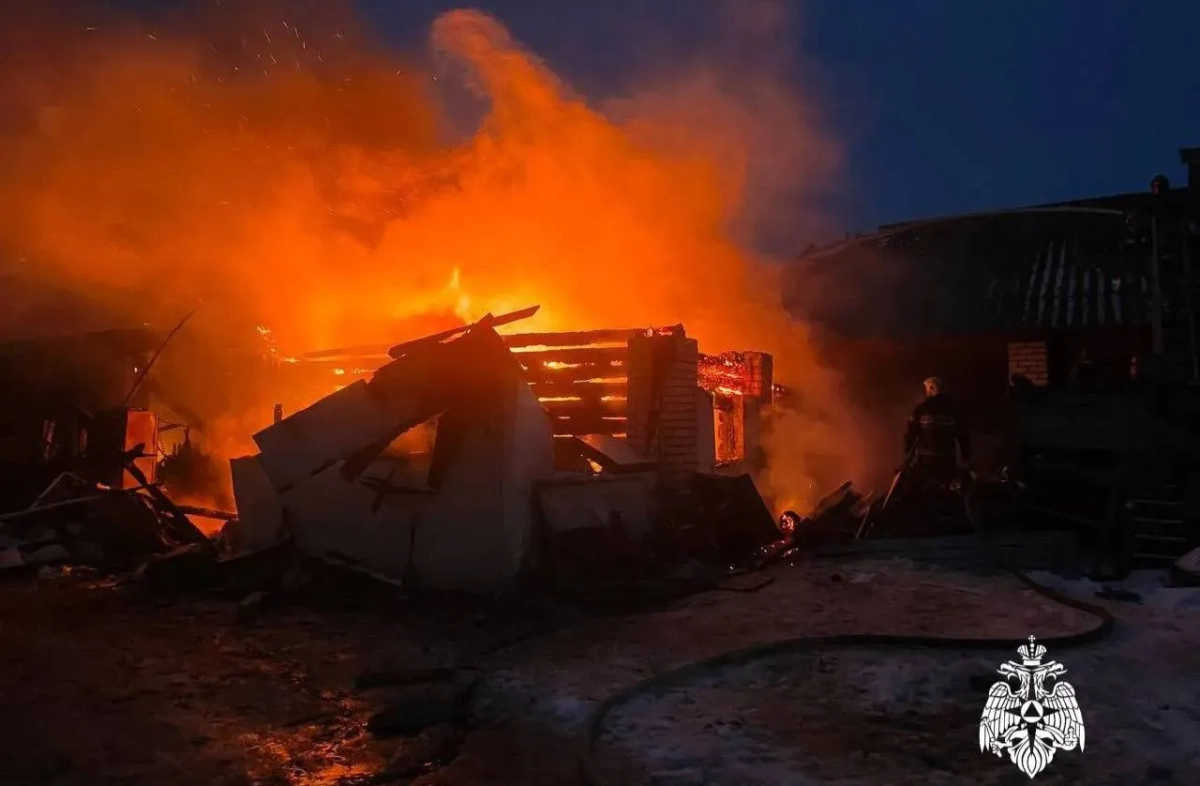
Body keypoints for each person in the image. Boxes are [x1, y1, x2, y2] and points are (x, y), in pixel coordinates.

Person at [903, 376, 971, 484]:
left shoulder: (921, 409)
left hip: (925, 462)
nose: (926, 392)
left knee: (924, 491)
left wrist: (908, 453)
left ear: (931, 388)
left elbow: (911, 433)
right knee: (944, 491)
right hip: (946, 460)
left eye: (928, 389)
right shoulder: (952, 410)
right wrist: (965, 457)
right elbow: (963, 434)